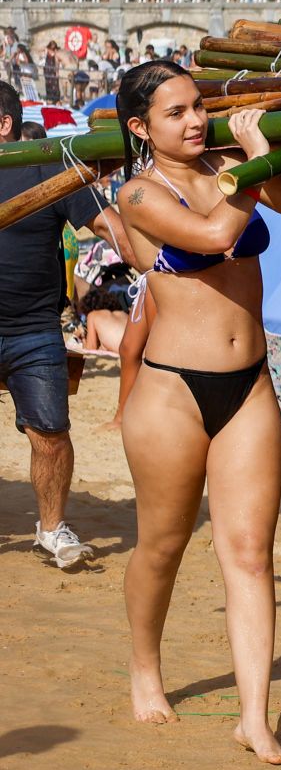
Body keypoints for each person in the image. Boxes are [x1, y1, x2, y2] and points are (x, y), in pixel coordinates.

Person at [115, 62, 281, 762]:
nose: (195, 122)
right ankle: (145, 666)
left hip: (250, 384)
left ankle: (254, 715)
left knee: (250, 553)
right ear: (140, 128)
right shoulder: (138, 194)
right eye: (176, 113)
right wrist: (246, 170)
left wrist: (278, 152)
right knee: (163, 545)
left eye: (199, 108)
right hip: (171, 392)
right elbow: (214, 238)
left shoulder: (228, 163)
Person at [0, 80, 128, 569]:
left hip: (35, 330)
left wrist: (157, 259)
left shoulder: (46, 166)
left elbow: (105, 225)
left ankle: (51, 530)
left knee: (50, 434)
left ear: (5, 123)